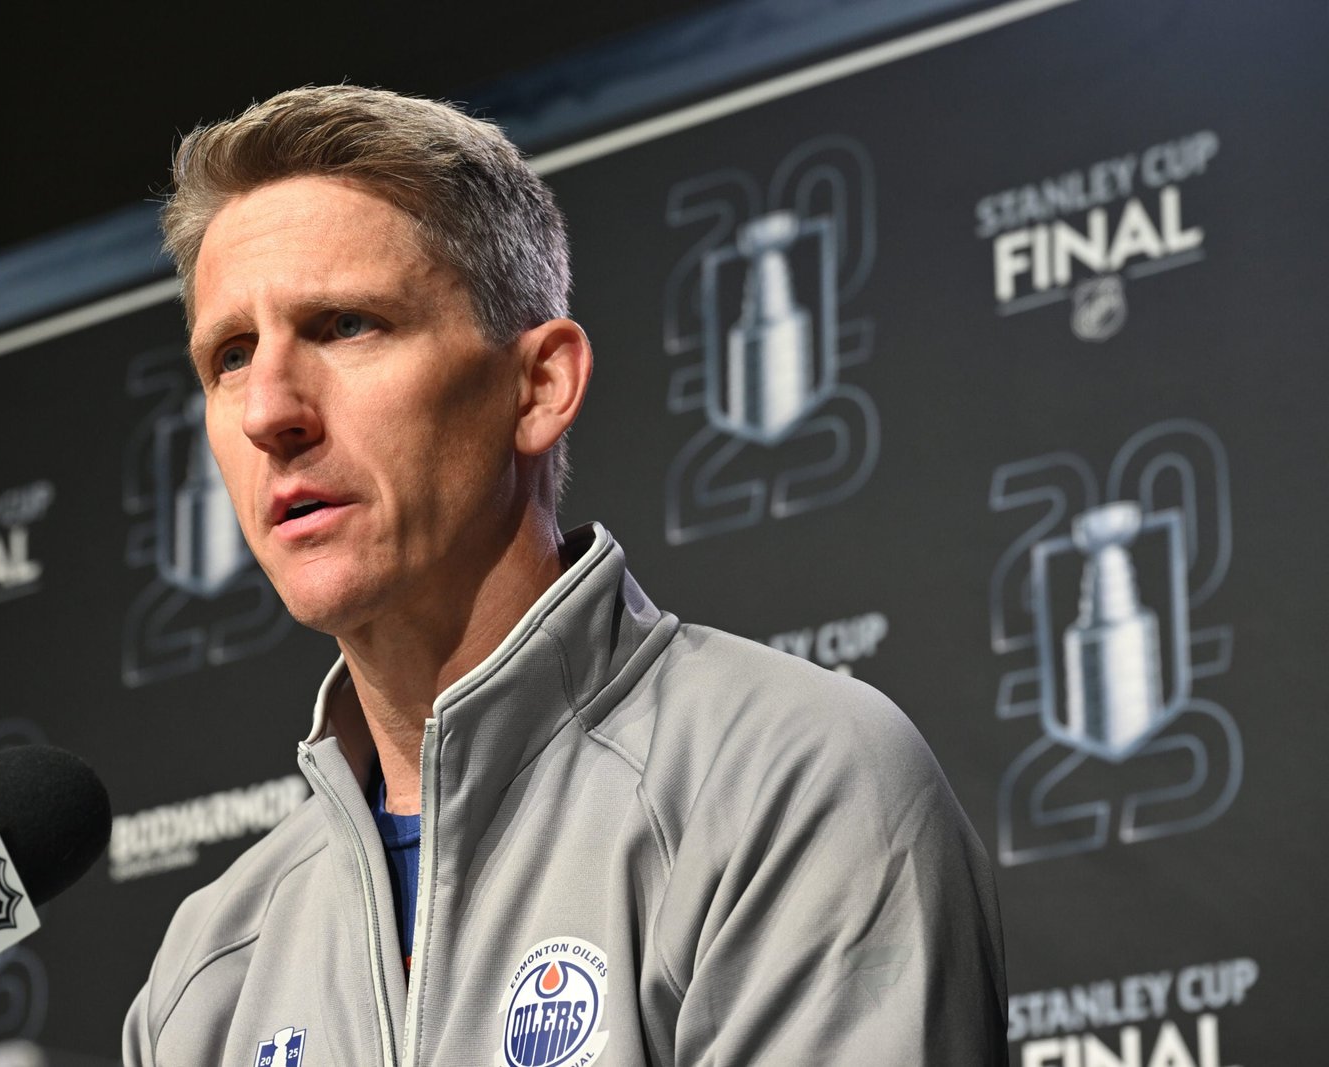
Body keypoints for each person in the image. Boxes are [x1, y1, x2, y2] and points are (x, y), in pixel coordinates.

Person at [125, 84, 1006, 1066]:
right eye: (231, 356)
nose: (268, 411)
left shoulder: (790, 787)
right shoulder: (207, 973)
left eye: (344, 324)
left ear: (539, 385)